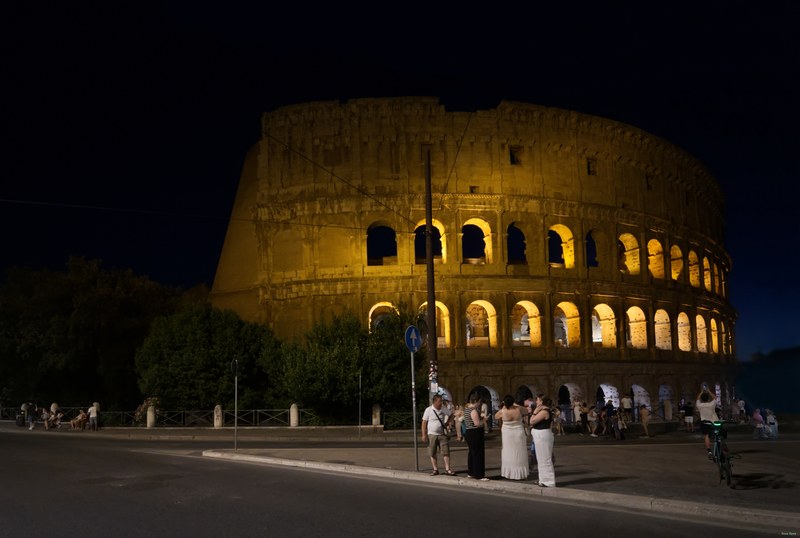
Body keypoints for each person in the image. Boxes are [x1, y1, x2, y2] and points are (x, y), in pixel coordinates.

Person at [494, 395, 529, 480]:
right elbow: (526, 411)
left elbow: (496, 416)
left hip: (508, 433)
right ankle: (521, 473)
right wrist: (516, 405)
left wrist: (503, 406)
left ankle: (509, 473)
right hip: (518, 432)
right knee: (520, 451)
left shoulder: (503, 411)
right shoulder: (519, 408)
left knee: (508, 451)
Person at [421, 394, 456, 476]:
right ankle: (435, 469)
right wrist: (424, 434)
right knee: (432, 452)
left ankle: (447, 469)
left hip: (442, 434)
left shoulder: (443, 409)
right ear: (435, 402)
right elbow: (424, 423)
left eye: (442, 401)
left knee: (445, 451)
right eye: (440, 401)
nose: (441, 403)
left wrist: (447, 423)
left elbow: (451, 415)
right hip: (432, 434)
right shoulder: (428, 410)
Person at [529, 394, 555, 487]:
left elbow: (532, 421)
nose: (536, 402)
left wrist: (535, 412)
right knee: (541, 459)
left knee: (545, 458)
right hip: (541, 435)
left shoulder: (544, 411)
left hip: (543, 435)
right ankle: (543, 479)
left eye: (538, 400)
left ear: (541, 401)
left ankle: (549, 481)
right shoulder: (544, 410)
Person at [464, 393, 489, 480]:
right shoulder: (473, 411)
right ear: (475, 401)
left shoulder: (466, 409)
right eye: (479, 402)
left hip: (469, 432)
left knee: (472, 453)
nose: (480, 404)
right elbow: (477, 424)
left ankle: (471, 472)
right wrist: (484, 420)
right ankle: (479, 474)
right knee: (478, 453)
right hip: (475, 433)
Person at [696, 386, 719, 457]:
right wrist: (709, 391)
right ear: (708, 398)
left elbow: (697, 398)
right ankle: (719, 447)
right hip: (714, 422)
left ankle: (709, 451)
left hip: (704, 422)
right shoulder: (711, 404)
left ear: (701, 399)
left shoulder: (699, 405)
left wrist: (701, 392)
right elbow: (715, 398)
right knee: (718, 434)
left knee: (706, 436)